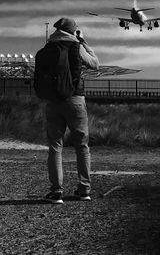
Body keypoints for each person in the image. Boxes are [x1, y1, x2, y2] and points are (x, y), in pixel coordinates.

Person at [45, 17, 99, 204]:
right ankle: (84, 189)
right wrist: (83, 40)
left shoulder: (48, 48)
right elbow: (95, 63)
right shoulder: (77, 46)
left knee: (55, 146)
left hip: (52, 101)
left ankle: (56, 191)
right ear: (73, 31)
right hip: (75, 99)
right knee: (81, 145)